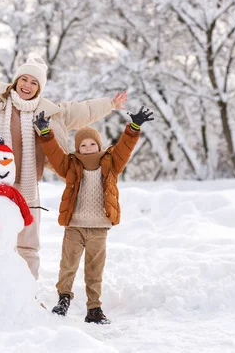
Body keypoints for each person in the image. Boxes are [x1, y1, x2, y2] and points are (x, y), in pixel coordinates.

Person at [0, 14, 128, 280]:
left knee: (28, 244)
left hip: (27, 187)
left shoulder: (48, 112)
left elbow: (82, 110)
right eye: (25, 79)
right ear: (17, 79)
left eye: (34, 83)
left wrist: (111, 105)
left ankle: (27, 293)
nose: (27, 85)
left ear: (39, 88)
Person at [33, 107, 154, 324]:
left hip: (99, 226)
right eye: (83, 145)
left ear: (99, 145)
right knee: (68, 264)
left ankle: (94, 307)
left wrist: (133, 128)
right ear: (77, 148)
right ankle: (63, 299)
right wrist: (45, 133)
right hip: (74, 225)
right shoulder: (70, 164)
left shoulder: (111, 162)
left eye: (92, 144)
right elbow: (54, 153)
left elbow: (125, 147)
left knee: (94, 268)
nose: (88, 148)